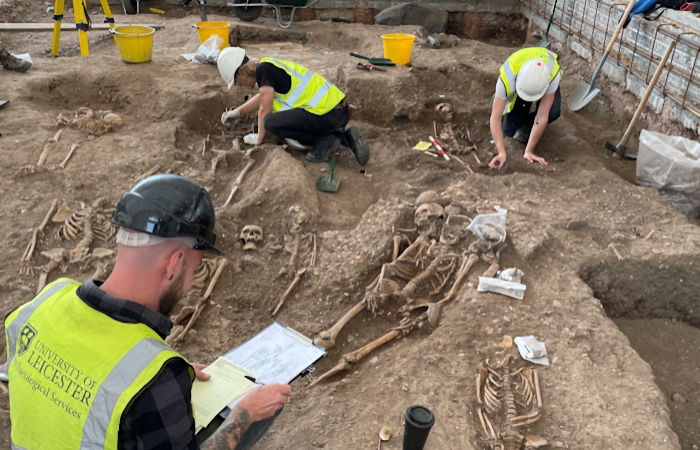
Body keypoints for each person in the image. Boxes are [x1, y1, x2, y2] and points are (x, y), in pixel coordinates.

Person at [0, 174, 291, 449]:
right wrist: (245, 414)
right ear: (174, 263)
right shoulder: (158, 380)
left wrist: (168, 383)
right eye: (195, 268)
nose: (190, 281)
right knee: (256, 412)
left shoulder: (43, 302)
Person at [218, 47, 370, 165]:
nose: (240, 86)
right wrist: (237, 112)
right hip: (337, 111)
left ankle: (328, 139)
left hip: (327, 114)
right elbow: (262, 98)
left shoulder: (263, 70)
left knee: (270, 123)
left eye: (237, 82)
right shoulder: (268, 67)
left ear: (241, 73)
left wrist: (259, 139)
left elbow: (264, 109)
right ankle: (343, 138)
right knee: (279, 122)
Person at [488, 47, 562, 169]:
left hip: (541, 83)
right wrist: (501, 152)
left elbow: (542, 115)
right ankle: (500, 99)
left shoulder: (553, 73)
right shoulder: (508, 76)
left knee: (552, 112)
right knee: (507, 130)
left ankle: (527, 128)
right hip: (518, 86)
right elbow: (495, 118)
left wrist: (529, 151)